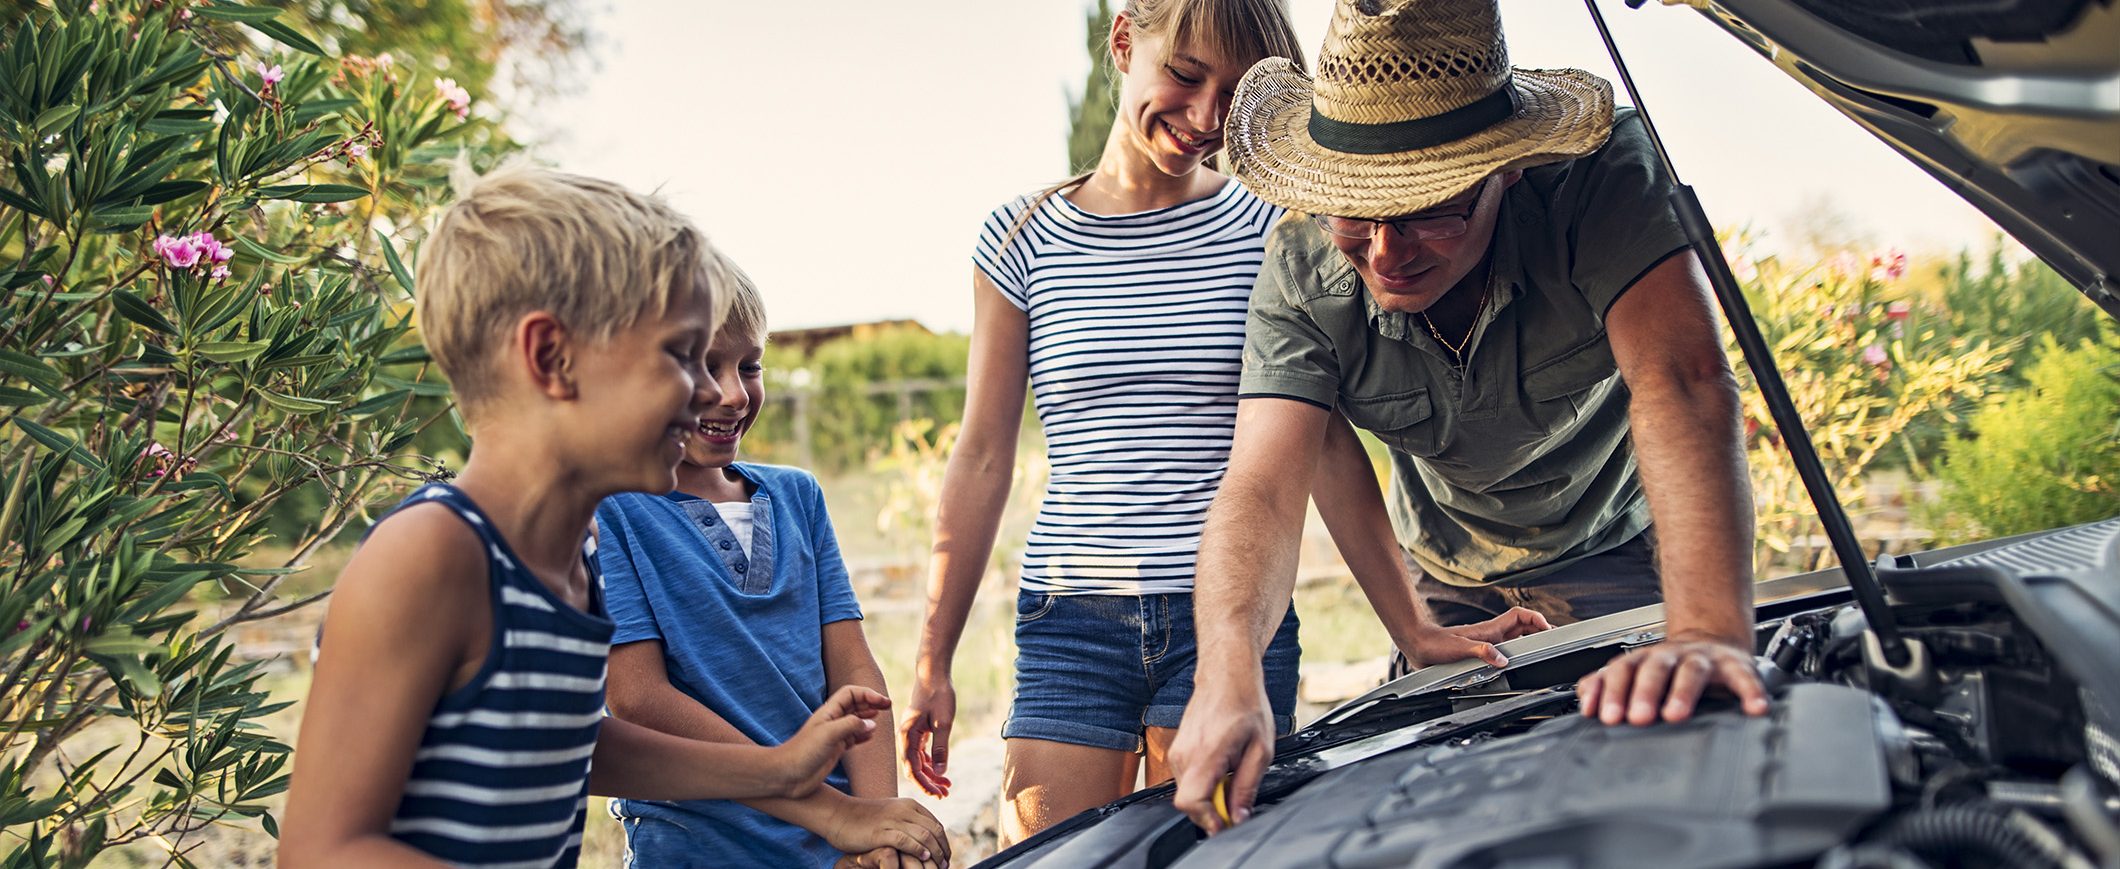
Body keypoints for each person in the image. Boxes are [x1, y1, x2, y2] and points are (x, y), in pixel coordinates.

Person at [899, 0, 1545, 845]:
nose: (1205, 118)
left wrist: (1411, 628)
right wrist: (932, 661)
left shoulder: (1271, 228)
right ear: (1126, 41)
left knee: (1212, 855)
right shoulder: (1021, 238)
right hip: (1070, 623)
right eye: (1185, 75)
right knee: (1049, 856)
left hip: (1227, 626)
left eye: (1233, 94)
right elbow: (982, 456)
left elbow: (1317, 448)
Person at [1169, 0, 1769, 834]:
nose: (1386, 253)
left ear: (1508, 168)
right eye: (1357, 214)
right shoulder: (1301, 263)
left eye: (1427, 211)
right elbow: (1265, 481)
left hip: (1613, 550)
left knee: (1651, 805)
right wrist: (1226, 668)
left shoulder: (1595, 181)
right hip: (1445, 574)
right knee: (1447, 818)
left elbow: (1682, 377)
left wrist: (1708, 629)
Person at [279, 167, 889, 868]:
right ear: (551, 357)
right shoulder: (430, 555)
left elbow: (567, 739)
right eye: (682, 356)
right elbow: (322, 850)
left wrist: (784, 773)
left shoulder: (572, 562)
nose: (709, 393)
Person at [596, 267, 949, 869]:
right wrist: (828, 809)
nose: (733, 393)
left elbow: (853, 670)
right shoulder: (612, 510)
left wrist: (877, 827)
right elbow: (637, 698)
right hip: (695, 846)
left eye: (749, 366)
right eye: (705, 365)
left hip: (831, 842)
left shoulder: (798, 496)